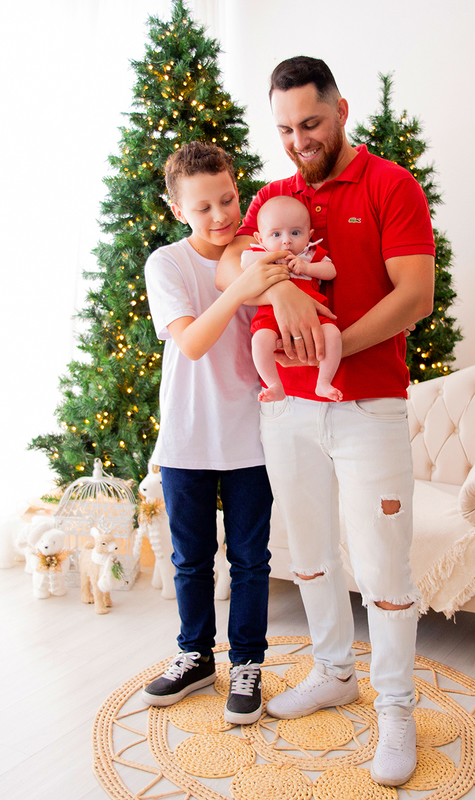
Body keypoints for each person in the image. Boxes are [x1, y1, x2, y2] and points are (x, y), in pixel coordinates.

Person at [216, 56, 436, 785]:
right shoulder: (275, 197)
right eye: (283, 128)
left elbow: (415, 297)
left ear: (340, 109)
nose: (297, 140)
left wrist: (325, 337)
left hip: (369, 406)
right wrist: (281, 298)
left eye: (310, 123)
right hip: (288, 412)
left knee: (384, 568)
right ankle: (334, 671)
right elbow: (227, 270)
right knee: (308, 551)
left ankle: (396, 709)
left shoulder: (390, 186)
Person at [139, 141, 289, 726]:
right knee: (191, 559)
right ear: (179, 211)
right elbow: (194, 342)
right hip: (186, 436)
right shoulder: (168, 264)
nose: (221, 216)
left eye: (228, 199)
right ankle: (195, 656)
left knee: (252, 561)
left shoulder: (259, 251)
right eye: (204, 208)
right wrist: (241, 289)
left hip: (251, 436)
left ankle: (247, 662)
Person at [241, 195, 343, 402]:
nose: (286, 240)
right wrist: (272, 258)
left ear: (309, 235)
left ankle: (323, 381)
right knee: (260, 341)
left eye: (295, 233)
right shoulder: (261, 254)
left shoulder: (310, 254)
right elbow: (245, 262)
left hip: (313, 315)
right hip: (271, 316)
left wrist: (306, 267)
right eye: (276, 234)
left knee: (332, 334)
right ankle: (274, 384)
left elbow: (331, 270)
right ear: (260, 239)